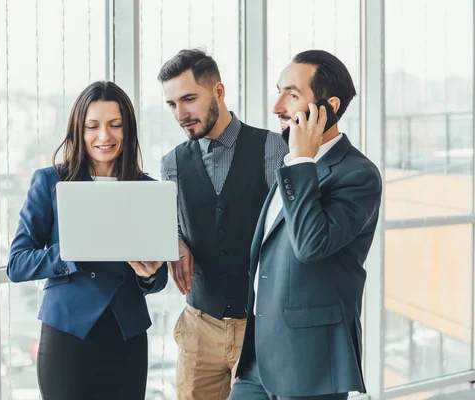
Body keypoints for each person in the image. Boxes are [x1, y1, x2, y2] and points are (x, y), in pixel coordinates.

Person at [230, 50, 383, 400]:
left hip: (310, 365)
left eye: (292, 95)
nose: (277, 107)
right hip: (258, 363)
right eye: (279, 91)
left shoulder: (357, 175)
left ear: (327, 106)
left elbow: (311, 246)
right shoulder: (290, 168)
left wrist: (301, 159)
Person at [6, 81, 168, 400]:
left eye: (115, 125)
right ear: (78, 131)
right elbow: (17, 264)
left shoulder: (148, 189)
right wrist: (72, 253)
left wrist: (149, 274)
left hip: (127, 337)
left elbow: (159, 277)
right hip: (67, 336)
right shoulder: (50, 181)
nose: (104, 136)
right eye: (92, 126)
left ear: (128, 130)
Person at [159, 48, 288, 400]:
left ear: (218, 91)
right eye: (172, 104)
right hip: (199, 329)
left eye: (188, 99)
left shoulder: (273, 149)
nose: (181, 114)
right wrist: (175, 240)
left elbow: (292, 231)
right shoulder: (170, 164)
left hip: (259, 328)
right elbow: (170, 227)